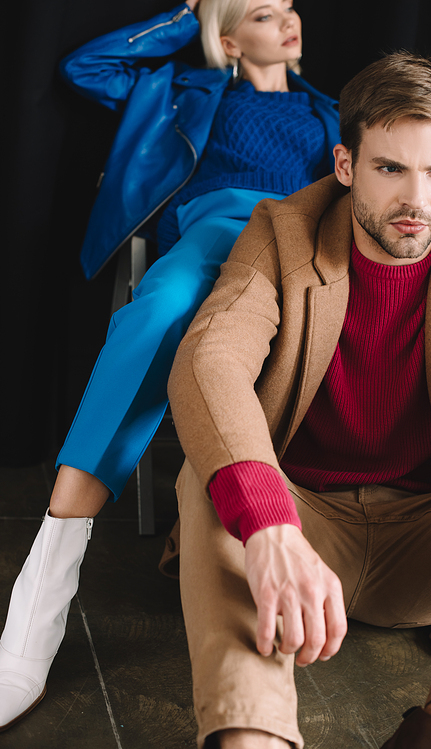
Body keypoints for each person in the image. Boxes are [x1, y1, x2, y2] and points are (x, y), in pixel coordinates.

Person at [0, 0, 341, 733]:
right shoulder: (187, 88)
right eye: (260, 12)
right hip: (217, 221)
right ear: (226, 36)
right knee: (154, 313)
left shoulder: (333, 113)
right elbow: (85, 69)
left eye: (288, 5)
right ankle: (41, 600)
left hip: (297, 241)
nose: (286, 20)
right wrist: (191, 22)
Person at [166, 51, 431, 748]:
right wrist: (269, 523)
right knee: (209, 475)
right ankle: (251, 735)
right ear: (345, 166)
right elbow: (210, 359)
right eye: (390, 168)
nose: (418, 198)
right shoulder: (282, 231)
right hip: (299, 533)